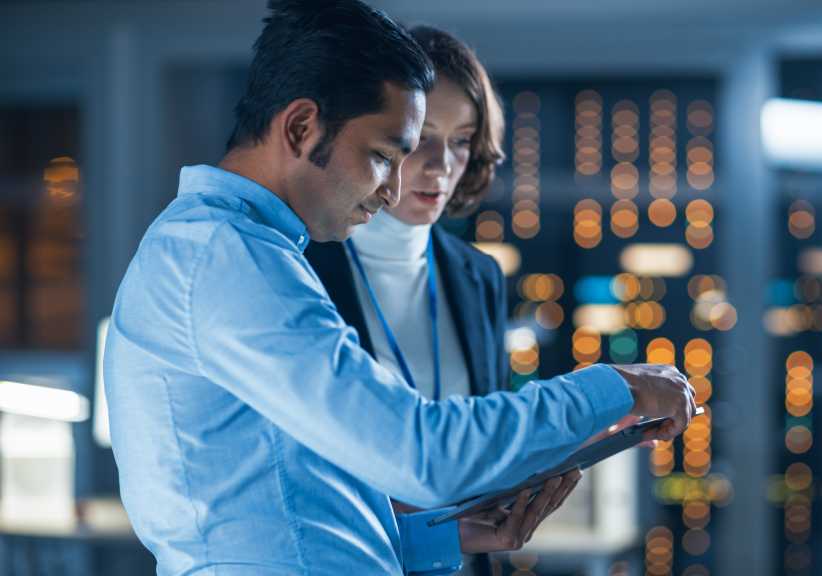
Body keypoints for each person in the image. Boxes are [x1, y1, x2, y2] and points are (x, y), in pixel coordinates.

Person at [102, 1, 697, 575]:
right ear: (302, 127)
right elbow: (421, 454)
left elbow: (286, 518)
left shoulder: (249, 252)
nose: (393, 190)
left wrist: (430, 536)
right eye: (384, 155)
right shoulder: (226, 258)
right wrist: (617, 387)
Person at [303, 25, 576, 574]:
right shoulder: (303, 263)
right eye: (420, 136)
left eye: (460, 139)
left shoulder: (478, 275)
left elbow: (484, 436)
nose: (441, 163)